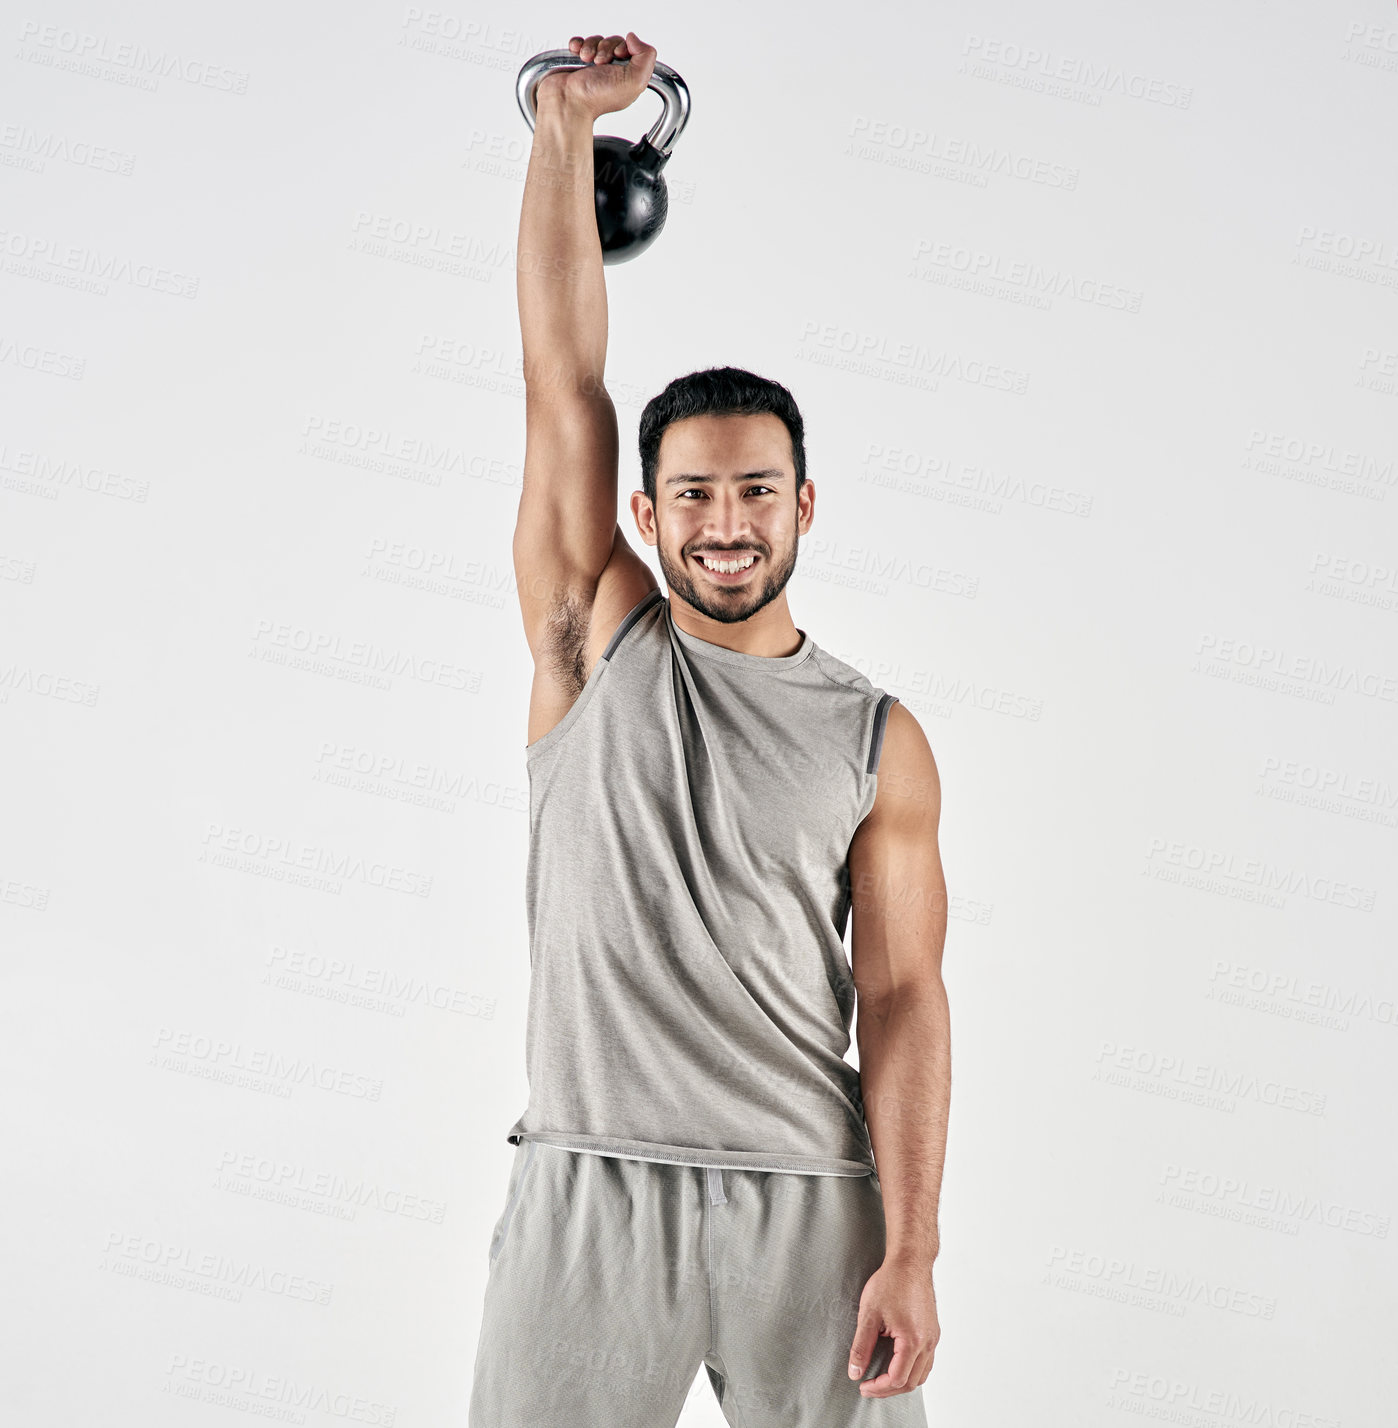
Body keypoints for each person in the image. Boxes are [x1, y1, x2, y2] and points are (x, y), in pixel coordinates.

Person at [470, 30, 951, 1428]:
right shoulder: (591, 643)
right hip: (588, 1182)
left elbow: (905, 997)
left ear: (803, 505)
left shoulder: (878, 738)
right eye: (689, 495)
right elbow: (558, 383)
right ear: (643, 514)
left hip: (811, 1200)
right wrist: (565, 130)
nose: (722, 522)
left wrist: (911, 1248)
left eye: (751, 491)